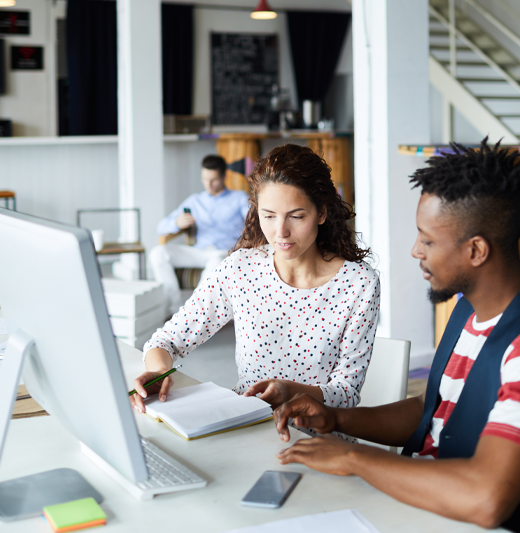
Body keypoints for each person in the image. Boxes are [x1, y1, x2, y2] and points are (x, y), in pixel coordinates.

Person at [273, 140, 520, 533]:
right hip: (425, 522)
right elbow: (434, 409)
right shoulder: (469, 310)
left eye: (427, 240)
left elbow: (486, 497)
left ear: (476, 250)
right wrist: (337, 419)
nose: (415, 251)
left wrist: (354, 458)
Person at [131, 143, 380, 419]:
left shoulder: (358, 284)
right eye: (269, 216)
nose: (281, 232)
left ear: (321, 213)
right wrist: (158, 371)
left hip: (318, 440)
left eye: (296, 216)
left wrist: (291, 392)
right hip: (248, 422)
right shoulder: (241, 269)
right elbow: (166, 341)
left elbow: (346, 393)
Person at [149, 154, 249, 316]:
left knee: (215, 263)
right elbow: (161, 228)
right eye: (204, 179)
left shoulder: (239, 198)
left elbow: (256, 223)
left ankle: (195, 314)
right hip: (198, 251)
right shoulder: (195, 201)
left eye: (214, 180)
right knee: (158, 253)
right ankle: (175, 310)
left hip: (223, 252)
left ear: (224, 176)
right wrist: (176, 223)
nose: (208, 185)